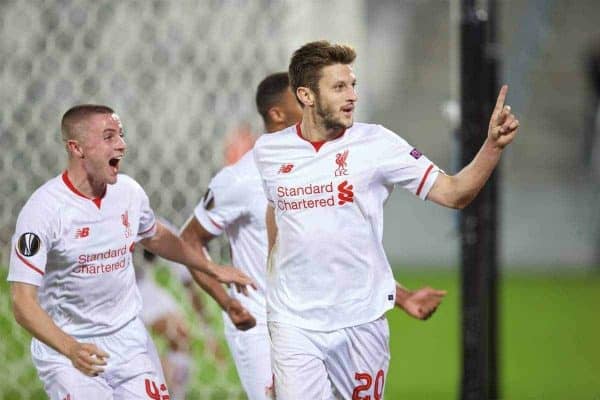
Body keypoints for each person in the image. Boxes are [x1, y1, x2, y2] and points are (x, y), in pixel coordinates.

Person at [253, 41, 519, 399]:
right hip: (293, 322)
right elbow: (281, 218)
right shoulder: (269, 152)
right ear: (306, 95)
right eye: (338, 87)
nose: (352, 96)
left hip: (361, 320)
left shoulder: (377, 143)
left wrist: (492, 147)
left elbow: (455, 193)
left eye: (353, 85)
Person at [180, 72, 447, 399]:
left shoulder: (324, 168)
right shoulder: (240, 178)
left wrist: (403, 297)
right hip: (262, 323)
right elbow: (188, 240)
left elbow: (331, 256)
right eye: (300, 97)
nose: (313, 101)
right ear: (277, 114)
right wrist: (228, 302)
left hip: (326, 317)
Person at [7, 105, 254, 400]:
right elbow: (22, 302)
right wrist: (70, 348)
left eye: (121, 136)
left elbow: (157, 236)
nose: (121, 145)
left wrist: (210, 267)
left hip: (129, 341)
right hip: (71, 347)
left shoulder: (129, 193)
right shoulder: (43, 210)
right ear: (77, 148)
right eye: (109, 137)